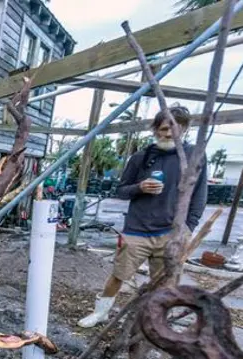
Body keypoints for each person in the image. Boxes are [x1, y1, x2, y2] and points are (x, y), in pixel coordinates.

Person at [78, 107, 208, 328]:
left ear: (185, 129)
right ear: (156, 129)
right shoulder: (142, 157)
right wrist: (139, 187)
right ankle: (101, 313)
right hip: (137, 229)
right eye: (164, 129)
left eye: (174, 129)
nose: (168, 134)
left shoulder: (194, 156)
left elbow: (200, 195)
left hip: (171, 231)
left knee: (165, 282)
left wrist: (189, 227)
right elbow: (120, 190)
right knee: (119, 274)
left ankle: (156, 321)